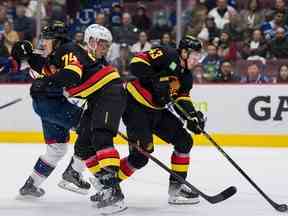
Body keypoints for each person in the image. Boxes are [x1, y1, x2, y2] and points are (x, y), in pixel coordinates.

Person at [117, 35, 205, 205]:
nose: (196, 60)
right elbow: (136, 62)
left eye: (198, 57)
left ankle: (176, 188)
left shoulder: (186, 76)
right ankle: (108, 184)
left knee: (184, 141)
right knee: (140, 157)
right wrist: (155, 79)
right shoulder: (167, 53)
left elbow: (182, 98)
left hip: (157, 111)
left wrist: (192, 117)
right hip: (135, 107)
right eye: (194, 56)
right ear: (184, 52)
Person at [11, 21, 91, 198]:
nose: (43, 43)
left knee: (56, 149)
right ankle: (74, 172)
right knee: (91, 129)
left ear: (58, 41)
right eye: (43, 38)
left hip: (47, 106)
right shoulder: (47, 56)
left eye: (47, 39)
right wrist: (18, 52)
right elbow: (19, 63)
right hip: (55, 105)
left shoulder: (66, 52)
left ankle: (30, 186)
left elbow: (70, 75)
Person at [62, 24, 127, 211]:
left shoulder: (101, 65)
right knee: (83, 144)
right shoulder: (82, 59)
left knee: (102, 139)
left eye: (107, 46)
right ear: (90, 42)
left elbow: (86, 87)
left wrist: (67, 91)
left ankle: (114, 191)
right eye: (102, 44)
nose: (105, 49)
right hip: (97, 104)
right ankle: (105, 187)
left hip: (110, 99)